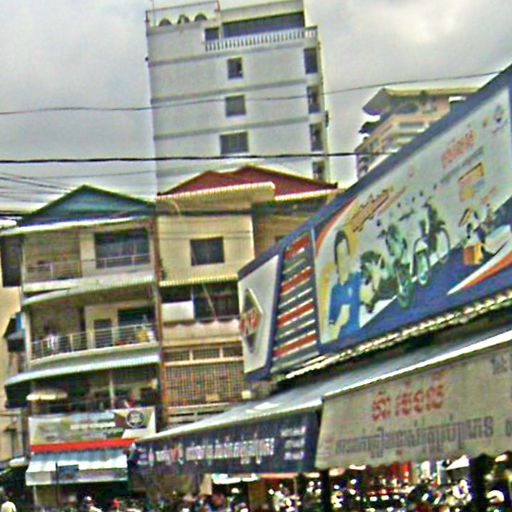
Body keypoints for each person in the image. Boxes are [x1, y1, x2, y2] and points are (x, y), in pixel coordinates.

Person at [327, 230, 362, 340]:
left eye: (346, 254)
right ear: (336, 262)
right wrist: (340, 321)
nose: (344, 260)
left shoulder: (357, 279)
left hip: (360, 339)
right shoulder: (335, 291)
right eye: (340, 256)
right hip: (342, 344)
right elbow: (331, 335)